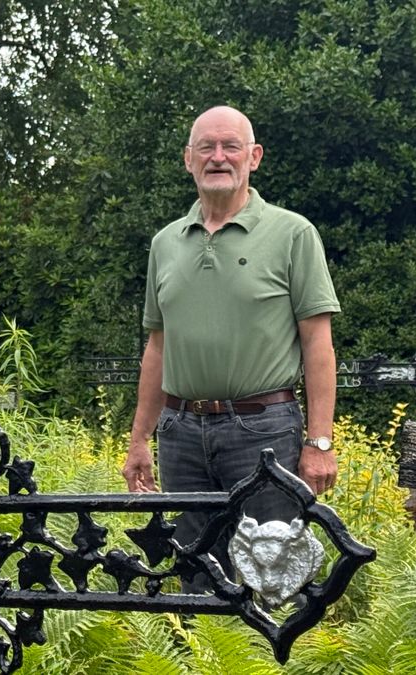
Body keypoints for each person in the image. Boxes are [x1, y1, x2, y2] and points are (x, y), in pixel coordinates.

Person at [121, 106, 340, 590]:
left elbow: (317, 343)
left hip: (264, 431)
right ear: (188, 159)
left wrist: (320, 443)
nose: (218, 157)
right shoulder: (166, 243)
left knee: (273, 576)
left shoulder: (293, 234)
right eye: (206, 147)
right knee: (197, 575)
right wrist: (139, 440)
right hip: (180, 433)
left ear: (253, 157)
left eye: (230, 147)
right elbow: (157, 346)